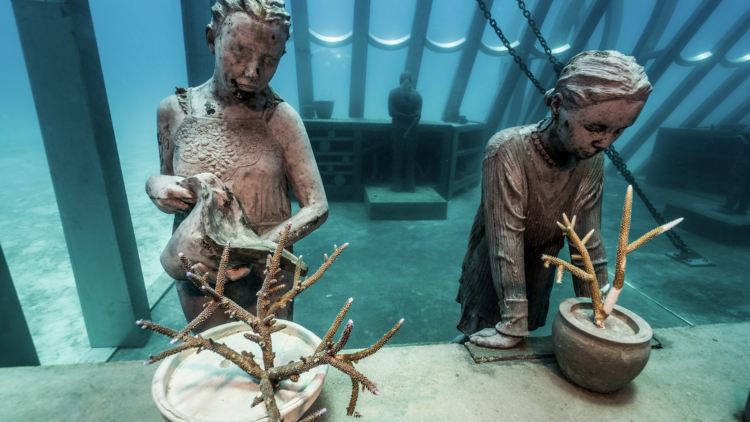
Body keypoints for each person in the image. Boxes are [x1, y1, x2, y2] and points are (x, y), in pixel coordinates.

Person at [145, 0, 328, 330]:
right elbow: (170, 182)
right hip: (198, 272)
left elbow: (317, 206)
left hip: (266, 274)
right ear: (211, 39)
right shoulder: (174, 111)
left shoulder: (282, 119)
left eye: (269, 60)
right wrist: (155, 186)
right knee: (212, 358)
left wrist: (253, 252)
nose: (253, 70)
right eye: (240, 51)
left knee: (268, 363)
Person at [456, 50, 652, 348]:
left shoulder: (590, 160)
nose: (606, 142)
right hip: (494, 267)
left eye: (619, 131)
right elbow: (505, 240)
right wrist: (512, 323)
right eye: (596, 128)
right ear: (557, 106)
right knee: (480, 334)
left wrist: (599, 311)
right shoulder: (507, 150)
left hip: (540, 265)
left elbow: (587, 241)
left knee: (522, 337)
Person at [388, 71, 422, 192]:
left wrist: (402, 117)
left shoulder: (393, 93)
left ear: (400, 80)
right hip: (413, 131)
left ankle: (396, 186)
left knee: (397, 159)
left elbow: (391, 113)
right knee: (410, 159)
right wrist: (409, 128)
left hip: (397, 130)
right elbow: (417, 117)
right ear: (411, 81)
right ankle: (410, 186)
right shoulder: (417, 96)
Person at [715, 133, 750, 216]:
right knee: (748, 189)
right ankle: (742, 209)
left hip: (744, 166)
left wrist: (742, 139)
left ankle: (727, 208)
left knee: (737, 186)